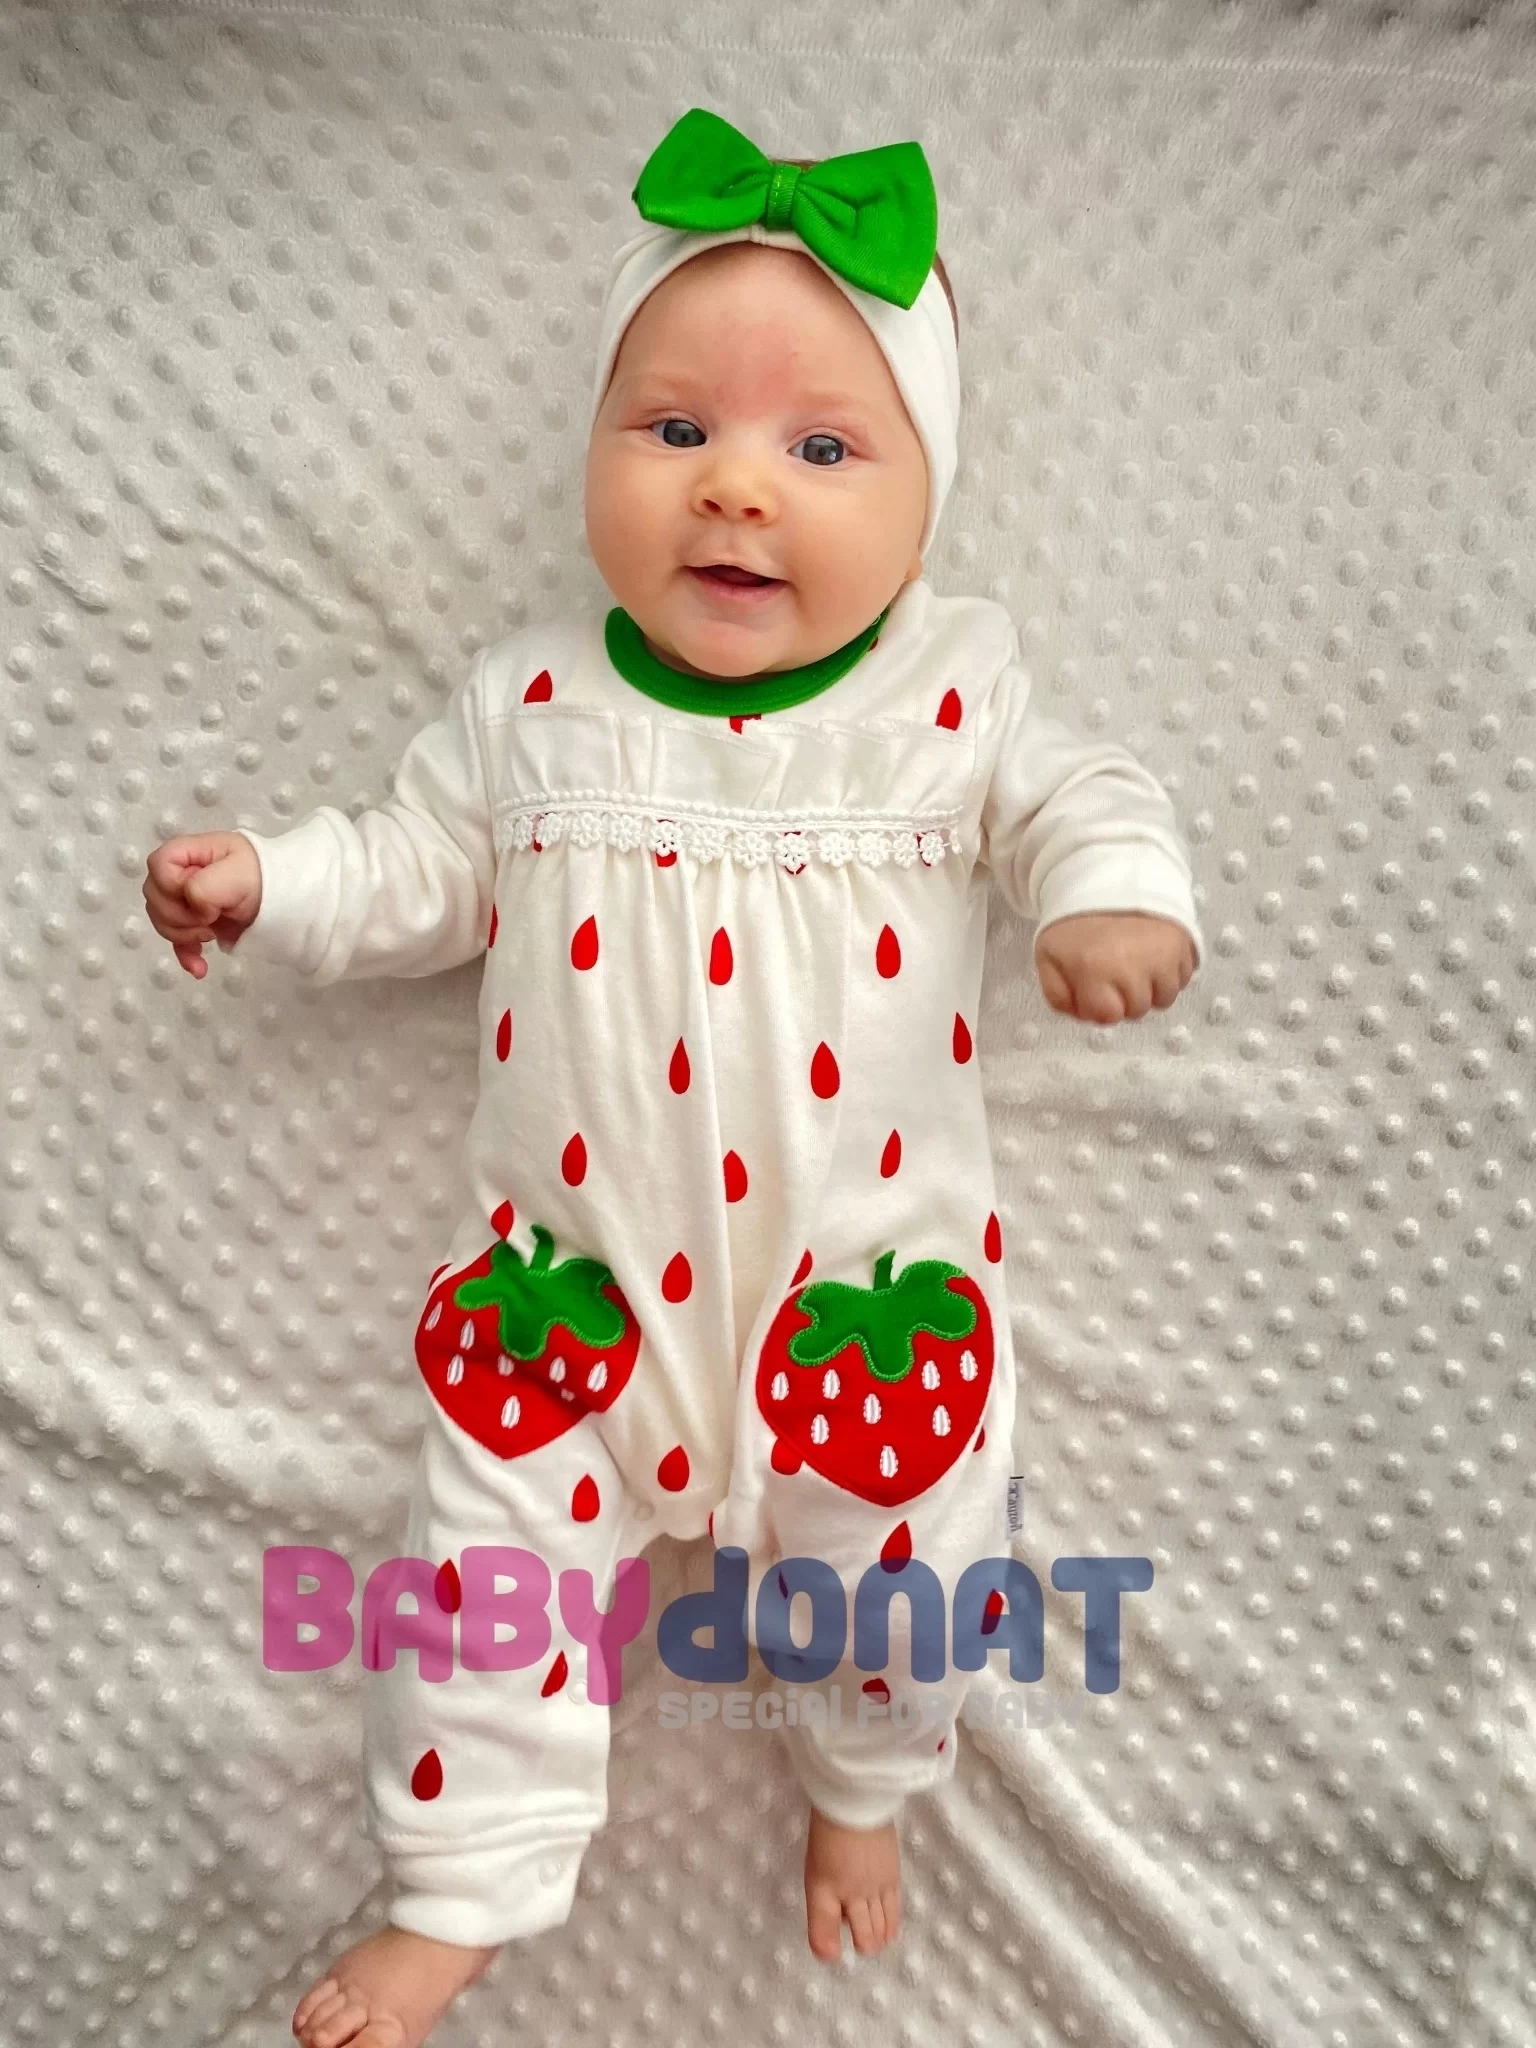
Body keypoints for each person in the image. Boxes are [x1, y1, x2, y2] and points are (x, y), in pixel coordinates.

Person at [143, 108, 1203, 2048]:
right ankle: (455, 1892)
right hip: (575, 1290)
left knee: (900, 1587)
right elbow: (417, 869)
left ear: (928, 508)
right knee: (479, 1590)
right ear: (596, 451)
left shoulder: (954, 695)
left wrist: (1111, 893)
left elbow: (1086, 792)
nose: (734, 487)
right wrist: (271, 883)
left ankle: (866, 1777)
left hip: (861, 1298)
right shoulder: (531, 705)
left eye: (824, 451)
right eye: (675, 427)